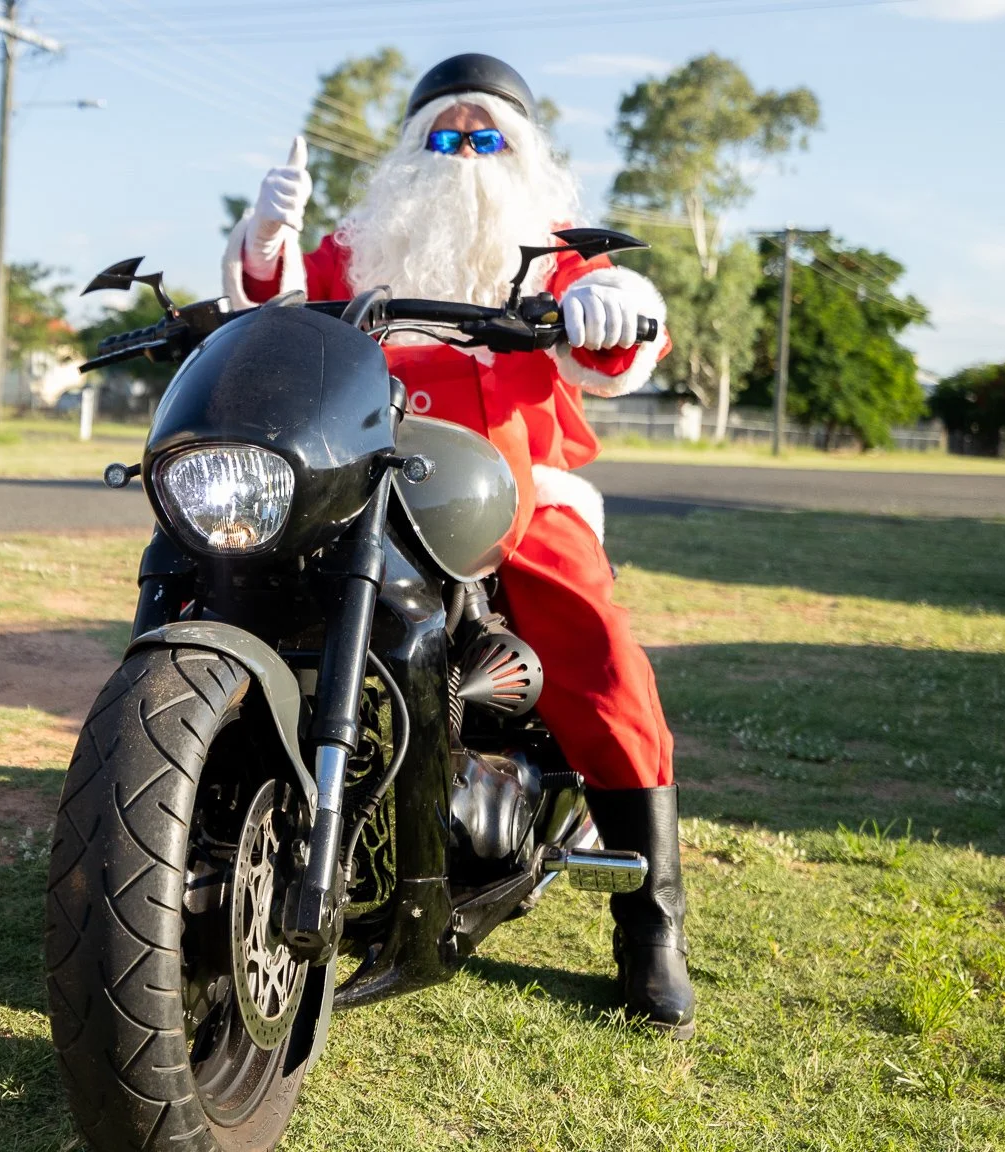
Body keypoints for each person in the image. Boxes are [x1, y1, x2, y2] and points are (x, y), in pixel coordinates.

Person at [220, 53, 694, 1036]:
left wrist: (611, 311)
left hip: (511, 485)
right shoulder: (359, 248)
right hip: (359, 477)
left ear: (518, 152)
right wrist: (265, 238)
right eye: (446, 134)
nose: (465, 153)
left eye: (486, 138)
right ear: (411, 148)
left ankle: (648, 923)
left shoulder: (551, 248)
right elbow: (272, 313)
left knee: (593, 652)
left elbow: (617, 337)